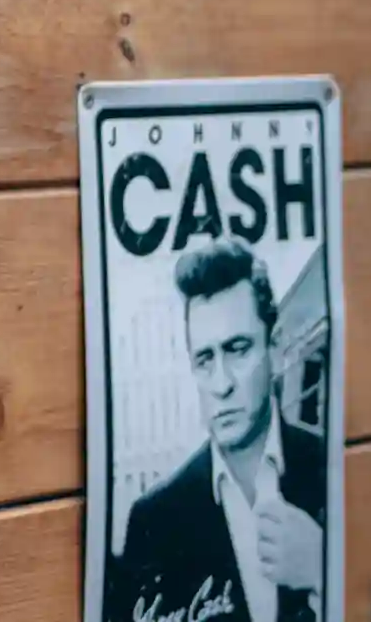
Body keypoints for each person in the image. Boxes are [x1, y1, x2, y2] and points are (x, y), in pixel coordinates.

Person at [114, 240, 326, 622]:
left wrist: (322, 570)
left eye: (238, 349)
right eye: (205, 359)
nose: (222, 383)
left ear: (275, 348)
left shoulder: (333, 467)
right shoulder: (154, 520)